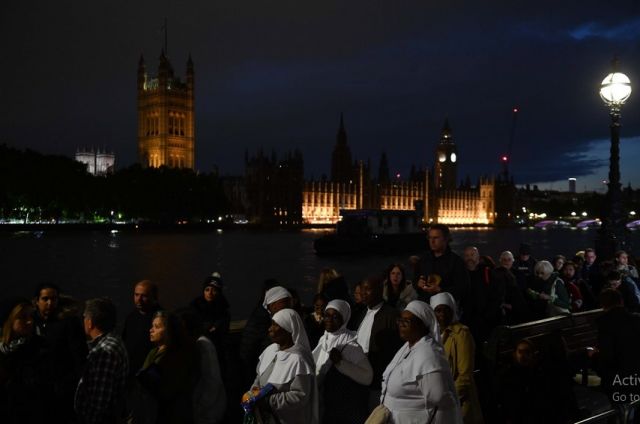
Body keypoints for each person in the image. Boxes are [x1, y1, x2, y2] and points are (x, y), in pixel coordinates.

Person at [380, 300, 462, 423]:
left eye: (407, 321)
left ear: (422, 325)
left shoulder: (428, 354)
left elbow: (439, 398)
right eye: (400, 320)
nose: (401, 324)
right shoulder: (406, 348)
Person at [249, 308, 318, 424]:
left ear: (288, 330)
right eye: (271, 324)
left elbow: (299, 396)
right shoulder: (270, 351)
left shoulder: (298, 359)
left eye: (276, 326)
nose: (270, 329)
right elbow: (259, 377)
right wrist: (252, 394)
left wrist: (269, 401)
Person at [32, 283, 87, 421]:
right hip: (37, 388)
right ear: (36, 301)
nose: (50, 303)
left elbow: (79, 355)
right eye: (45, 299)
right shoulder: (31, 321)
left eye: (54, 299)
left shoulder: (68, 322)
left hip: (61, 389)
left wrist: (71, 384)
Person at [312, 299, 372, 423]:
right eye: (327, 315)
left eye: (335, 317)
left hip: (344, 410)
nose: (329, 319)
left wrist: (341, 363)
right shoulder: (324, 339)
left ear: (344, 319)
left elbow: (368, 376)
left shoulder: (350, 345)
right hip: (326, 405)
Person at [137, 310, 198, 424]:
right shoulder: (153, 352)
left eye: (157, 326)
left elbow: (171, 388)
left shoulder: (178, 356)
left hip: (171, 414)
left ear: (169, 330)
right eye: (152, 326)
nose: (151, 330)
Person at [430, 293, 483, 424]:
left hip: (457, 401)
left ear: (452, 311)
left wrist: (445, 399)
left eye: (446, 309)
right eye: (438, 310)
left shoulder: (461, 334)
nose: (442, 314)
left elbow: (465, 376)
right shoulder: (431, 334)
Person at [75, 297, 129, 424]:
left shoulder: (105, 352)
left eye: (84, 317)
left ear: (90, 322)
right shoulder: (114, 341)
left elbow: (99, 401)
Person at [351, 276, 402, 409]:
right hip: (359, 378)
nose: (363, 293)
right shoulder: (361, 313)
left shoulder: (391, 315)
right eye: (362, 289)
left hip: (378, 381)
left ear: (379, 290)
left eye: (368, 289)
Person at [0, 298, 48, 424]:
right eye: (22, 317)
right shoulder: (2, 349)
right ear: (9, 320)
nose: (29, 321)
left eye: (31, 316)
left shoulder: (40, 346)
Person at [177, 308, 226, 424]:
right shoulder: (193, 344)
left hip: (208, 412)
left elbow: (212, 380)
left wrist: (201, 408)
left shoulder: (203, 345)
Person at [595, 289, 640, 404]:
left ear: (603, 305)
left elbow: (607, 356)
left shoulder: (604, 323)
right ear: (621, 301)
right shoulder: (636, 318)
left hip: (622, 377)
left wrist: (595, 355)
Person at [415, 224, 470, 305]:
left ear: (445, 239)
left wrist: (440, 290)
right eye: (430, 238)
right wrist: (418, 283)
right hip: (425, 303)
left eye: (436, 238)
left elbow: (463, 288)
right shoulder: (423, 259)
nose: (432, 241)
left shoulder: (456, 262)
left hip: (445, 307)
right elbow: (415, 278)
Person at [122, 280, 161, 376]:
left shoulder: (160, 319)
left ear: (154, 297)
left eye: (144, 296)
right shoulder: (131, 317)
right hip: (130, 373)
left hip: (150, 374)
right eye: (136, 295)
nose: (139, 299)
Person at [190, 272, 230, 359]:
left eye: (214, 290)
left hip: (217, 352)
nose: (210, 293)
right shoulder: (195, 307)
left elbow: (222, 332)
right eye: (207, 289)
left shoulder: (223, 310)